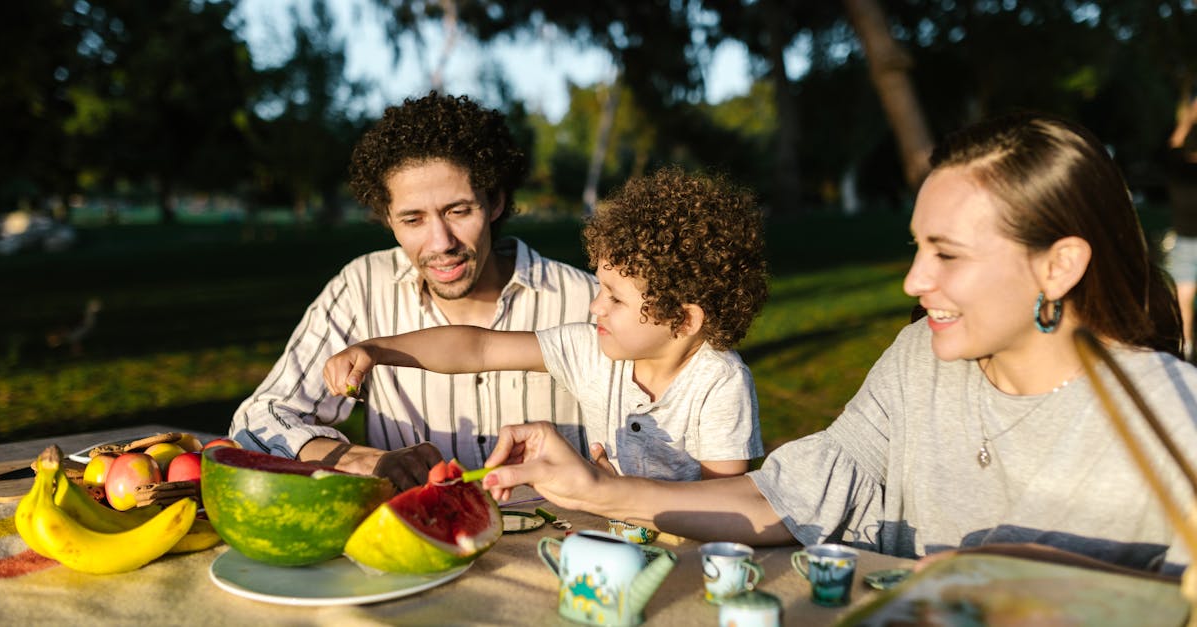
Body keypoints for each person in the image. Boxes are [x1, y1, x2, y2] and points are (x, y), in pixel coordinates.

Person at [480, 112, 1197, 576]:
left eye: (947, 255)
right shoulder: (919, 359)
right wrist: (599, 490)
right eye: (917, 248)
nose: (915, 279)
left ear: (1059, 264)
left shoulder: (1173, 415)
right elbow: (795, 493)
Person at [228, 92, 598, 489]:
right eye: (413, 219)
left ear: (494, 202)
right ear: (388, 218)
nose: (440, 243)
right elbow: (259, 421)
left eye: (458, 211)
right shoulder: (362, 288)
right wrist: (365, 460)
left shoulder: (584, 301)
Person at [325, 167, 771, 481]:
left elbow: (723, 502)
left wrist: (618, 495)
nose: (595, 306)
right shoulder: (591, 350)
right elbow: (476, 349)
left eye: (615, 298)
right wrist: (377, 350)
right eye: (600, 288)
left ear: (685, 319)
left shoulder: (720, 382)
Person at [1166, 96, 1197, 361]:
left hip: (1185, 242)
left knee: (1183, 301)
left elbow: (1173, 144)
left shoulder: (1177, 173)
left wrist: (1189, 117)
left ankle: (1186, 352)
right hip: (1187, 242)